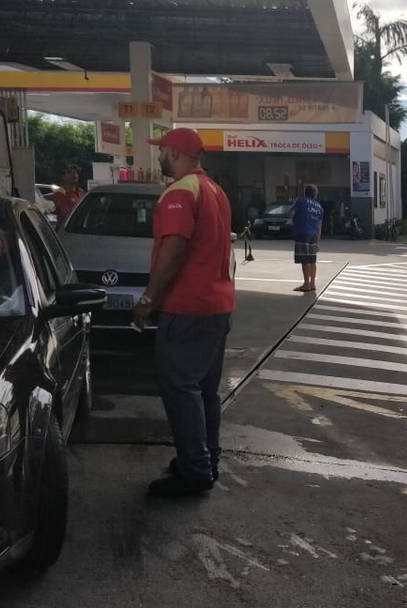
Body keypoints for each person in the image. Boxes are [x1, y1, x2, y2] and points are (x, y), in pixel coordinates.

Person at [132, 128, 235, 497]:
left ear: (174, 153)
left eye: (161, 151)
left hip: (187, 307)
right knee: (204, 390)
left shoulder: (179, 192)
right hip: (216, 306)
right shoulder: (215, 191)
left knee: (179, 387)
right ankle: (205, 459)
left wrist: (148, 300)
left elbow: (174, 250)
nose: (158, 157)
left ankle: (194, 471)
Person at [292, 184, 324, 292]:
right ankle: (312, 284)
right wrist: (318, 242)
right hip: (314, 236)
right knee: (312, 260)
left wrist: (295, 221)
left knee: (305, 260)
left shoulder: (301, 201)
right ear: (315, 194)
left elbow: (291, 214)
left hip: (302, 233)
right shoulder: (319, 207)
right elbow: (319, 226)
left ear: (305, 192)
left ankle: (306, 284)